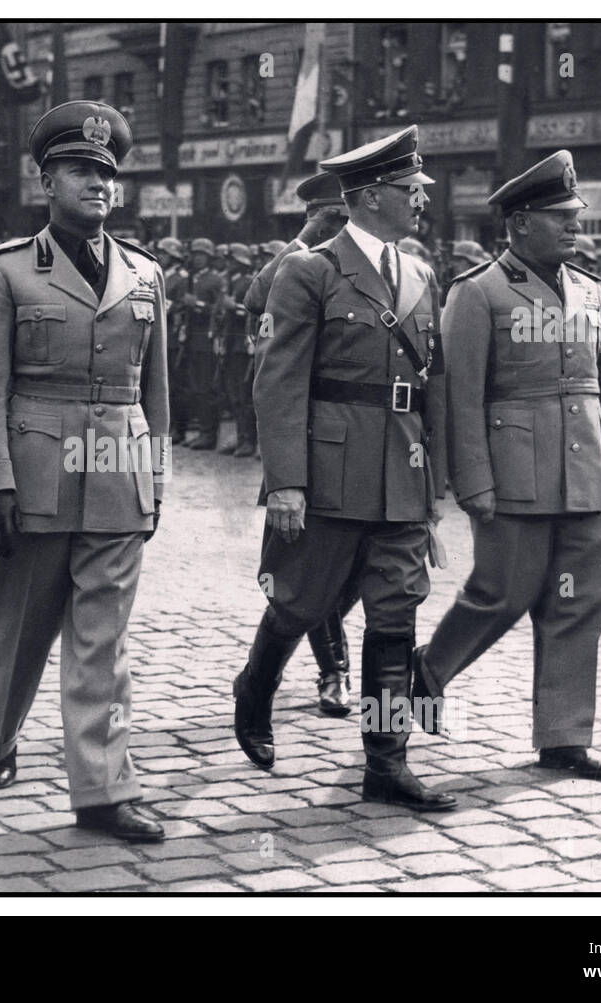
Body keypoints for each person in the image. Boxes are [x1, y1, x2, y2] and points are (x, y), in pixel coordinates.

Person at [0, 100, 170, 842]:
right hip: (37, 472)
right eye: (81, 171)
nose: (98, 185)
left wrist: (157, 481)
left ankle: (102, 791)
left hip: (118, 473)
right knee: (21, 633)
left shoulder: (146, 273)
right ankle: (1, 730)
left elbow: (157, 394)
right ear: (45, 180)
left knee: (102, 644)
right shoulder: (5, 270)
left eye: (107, 174)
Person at [240, 125, 454, 811]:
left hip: (401, 472)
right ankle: (257, 684)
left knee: (396, 620)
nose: (422, 198)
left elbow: (431, 386)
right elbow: (278, 383)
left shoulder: (420, 274)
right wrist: (288, 482)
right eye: (409, 188)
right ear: (368, 197)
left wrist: (436, 483)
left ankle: (385, 764)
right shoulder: (310, 272)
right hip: (331, 472)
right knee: (299, 602)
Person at [413, 150, 601, 779]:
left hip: (587, 471)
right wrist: (472, 479)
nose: (574, 226)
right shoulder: (478, 293)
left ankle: (564, 737)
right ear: (518, 224)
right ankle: (427, 670)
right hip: (514, 471)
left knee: (578, 603)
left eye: (575, 215)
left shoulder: (592, 289)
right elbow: (458, 394)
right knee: (501, 593)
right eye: (559, 216)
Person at [243, 169, 356, 719]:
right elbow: (253, 297)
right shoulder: (299, 264)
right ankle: (332, 671)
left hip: (367, 444)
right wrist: (305, 239)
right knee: (305, 569)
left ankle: (280, 670)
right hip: (305, 434)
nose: (342, 226)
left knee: (359, 574)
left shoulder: (389, 262)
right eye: (332, 218)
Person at [183, 237, 224, 450]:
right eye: (195, 255)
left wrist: (196, 304)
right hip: (191, 340)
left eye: (202, 255)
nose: (197, 259)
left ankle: (209, 434)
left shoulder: (215, 280)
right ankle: (201, 432)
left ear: (209, 257)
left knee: (207, 388)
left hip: (207, 341)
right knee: (196, 388)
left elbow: (219, 311)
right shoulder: (192, 278)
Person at [217, 242, 257, 457]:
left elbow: (253, 311)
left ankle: (248, 440)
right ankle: (240, 437)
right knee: (233, 395)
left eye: (232, 260)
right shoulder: (229, 282)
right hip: (231, 345)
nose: (228, 263)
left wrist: (235, 308)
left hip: (243, 345)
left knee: (244, 394)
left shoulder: (248, 282)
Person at [156, 237, 190, 445]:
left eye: (165, 254)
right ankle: (167, 426)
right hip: (162, 335)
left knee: (176, 385)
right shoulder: (161, 274)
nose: (161, 257)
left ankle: (179, 427)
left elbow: (180, 305)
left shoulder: (181, 278)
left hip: (174, 337)